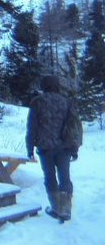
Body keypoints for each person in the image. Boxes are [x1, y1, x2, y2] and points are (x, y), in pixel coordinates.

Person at [26, 75, 78, 223]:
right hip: (64, 147)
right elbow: (74, 126)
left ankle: (55, 207)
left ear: (43, 86)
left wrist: (30, 148)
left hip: (45, 148)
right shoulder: (66, 102)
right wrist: (74, 148)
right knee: (65, 177)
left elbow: (32, 127)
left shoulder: (37, 102)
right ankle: (65, 209)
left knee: (50, 177)